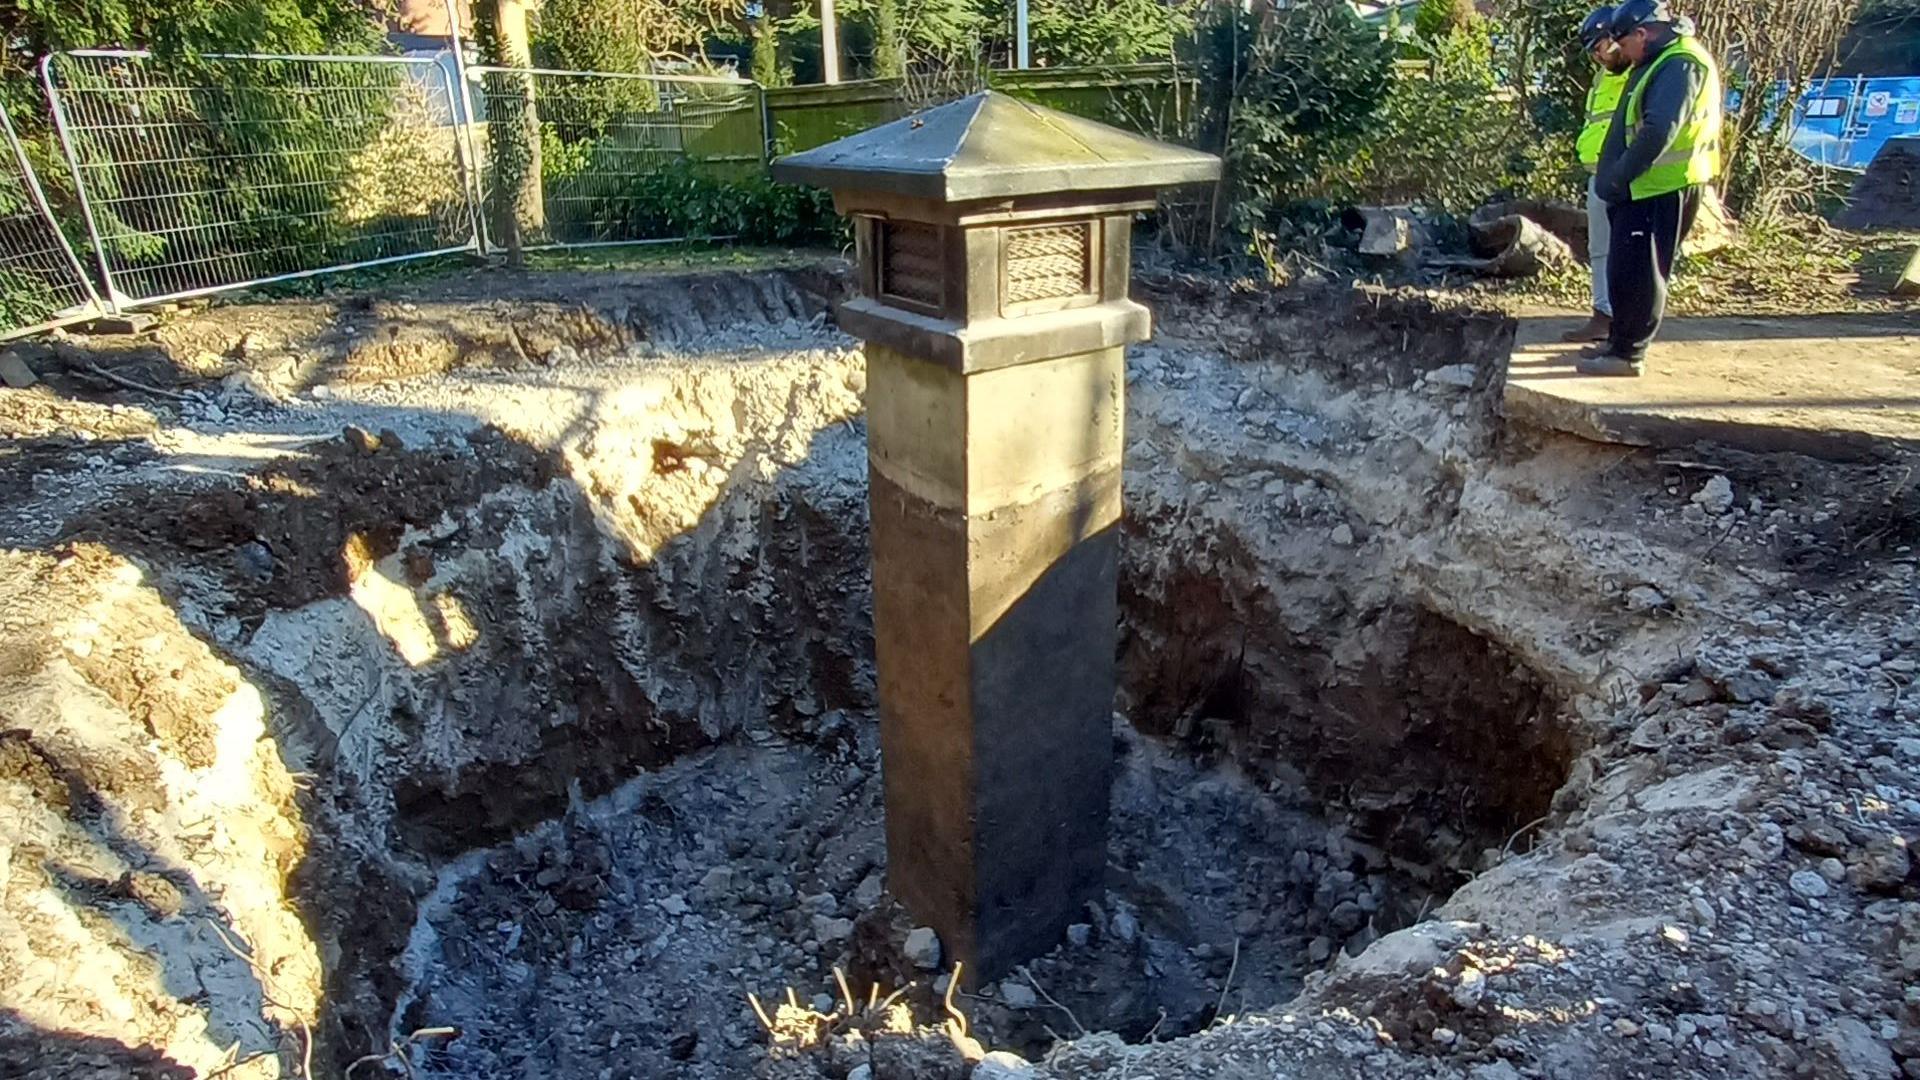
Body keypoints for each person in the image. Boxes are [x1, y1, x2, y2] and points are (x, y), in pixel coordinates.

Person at [1578, 0, 1724, 377]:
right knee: (1625, 268)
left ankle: (1629, 354)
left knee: (1644, 271)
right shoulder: (1658, 59)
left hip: (1663, 185)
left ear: (1642, 33)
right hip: (1641, 187)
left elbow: (1660, 130)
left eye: (1623, 43)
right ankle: (1619, 343)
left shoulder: (1680, 63)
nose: (1620, 52)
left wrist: (1619, 174)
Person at [1563, 7, 1634, 343]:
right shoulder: (1602, 77)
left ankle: (1626, 322)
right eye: (1592, 49)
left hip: (1627, 175)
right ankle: (1602, 314)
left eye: (1600, 45)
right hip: (1598, 174)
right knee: (1601, 249)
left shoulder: (1639, 72)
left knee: (1629, 250)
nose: (1597, 55)